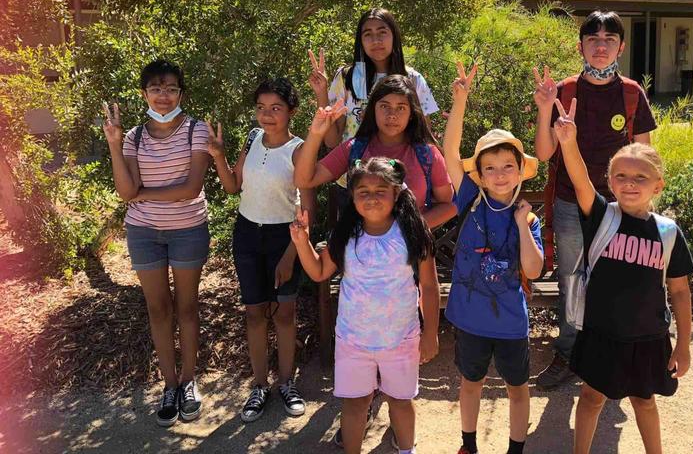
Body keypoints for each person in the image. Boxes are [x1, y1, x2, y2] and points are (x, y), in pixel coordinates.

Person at [552, 97, 693, 454]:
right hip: (601, 334)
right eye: (621, 176)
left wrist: (683, 344)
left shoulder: (668, 232)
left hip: (648, 338)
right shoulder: (602, 216)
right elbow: (580, 180)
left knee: (644, 401)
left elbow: (679, 292)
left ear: (657, 186)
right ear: (610, 182)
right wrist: (569, 143)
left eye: (640, 177)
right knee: (591, 397)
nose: (630, 184)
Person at [533, 10, 657, 389]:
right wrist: (543, 109)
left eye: (608, 39)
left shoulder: (631, 93)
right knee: (571, 278)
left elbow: (645, 157)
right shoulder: (564, 92)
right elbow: (542, 154)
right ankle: (569, 351)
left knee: (614, 278)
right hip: (571, 203)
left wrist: (640, 206)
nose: (600, 46)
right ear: (581, 47)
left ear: (621, 45)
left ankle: (611, 349)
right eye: (593, 39)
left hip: (618, 207)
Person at [289, 157, 439, 454]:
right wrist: (301, 242)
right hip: (354, 340)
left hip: (401, 338)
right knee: (356, 403)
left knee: (400, 401)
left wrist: (430, 333)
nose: (371, 197)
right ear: (352, 197)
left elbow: (429, 286)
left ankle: (406, 449)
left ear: (396, 193)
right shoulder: (345, 236)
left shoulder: (413, 233)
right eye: (363, 192)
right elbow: (319, 271)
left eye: (380, 190)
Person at [442, 62, 544, 454]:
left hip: (511, 323)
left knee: (518, 389)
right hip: (470, 318)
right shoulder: (469, 198)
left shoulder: (529, 218)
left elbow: (532, 269)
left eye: (508, 166)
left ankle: (515, 449)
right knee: (471, 383)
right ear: (479, 175)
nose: (500, 174)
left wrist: (521, 224)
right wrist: (460, 99)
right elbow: (451, 151)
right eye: (490, 168)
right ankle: (468, 444)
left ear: (520, 172)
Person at [102, 60, 210, 427]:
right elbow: (124, 191)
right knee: (158, 310)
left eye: (171, 89)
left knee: (188, 308)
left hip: (188, 229)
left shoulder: (197, 130)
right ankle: (169, 385)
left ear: (181, 92)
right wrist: (115, 145)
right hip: (144, 232)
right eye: (156, 89)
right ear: (144, 93)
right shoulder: (133, 136)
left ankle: (190, 381)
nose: (163, 96)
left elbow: (191, 188)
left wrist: (143, 193)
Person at [206, 77, 315, 422]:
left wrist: (290, 255)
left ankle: (286, 383)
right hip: (247, 236)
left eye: (276, 109)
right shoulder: (252, 139)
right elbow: (232, 186)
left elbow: (307, 209)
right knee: (254, 313)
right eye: (261, 108)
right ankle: (258, 385)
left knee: (284, 313)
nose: (267, 115)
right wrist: (219, 156)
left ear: (291, 112)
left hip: (285, 238)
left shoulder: (299, 150)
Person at [307, 8, 439, 209]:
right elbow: (332, 141)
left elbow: (423, 137)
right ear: (360, 41)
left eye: (382, 32)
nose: (375, 40)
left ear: (394, 35)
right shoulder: (346, 78)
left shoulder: (412, 79)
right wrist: (321, 92)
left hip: (401, 184)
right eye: (367, 34)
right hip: (354, 184)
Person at [294, 74, 455, 229]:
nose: (392, 115)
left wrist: (404, 230)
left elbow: (449, 204)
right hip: (359, 252)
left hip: (411, 253)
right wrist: (315, 134)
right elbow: (304, 180)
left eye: (401, 108)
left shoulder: (427, 154)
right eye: (384, 106)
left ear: (412, 114)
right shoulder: (354, 148)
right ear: (373, 110)